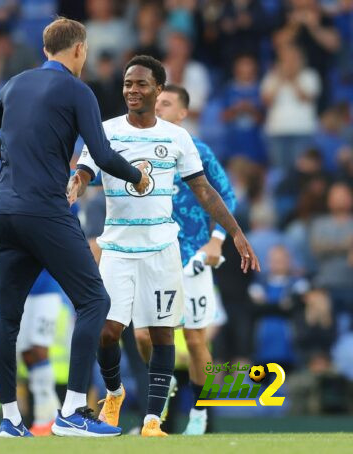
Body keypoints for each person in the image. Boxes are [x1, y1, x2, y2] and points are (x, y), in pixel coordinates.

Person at [68, 55, 259, 437]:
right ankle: (114, 392)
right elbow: (84, 170)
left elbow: (205, 191)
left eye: (140, 84)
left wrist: (234, 234)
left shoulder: (177, 138)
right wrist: (76, 184)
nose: (132, 91)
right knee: (107, 330)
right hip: (118, 248)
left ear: (158, 89)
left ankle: (153, 421)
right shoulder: (106, 131)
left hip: (161, 248)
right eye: (127, 84)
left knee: (162, 334)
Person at [0, 17, 147, 438]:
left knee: (7, 317)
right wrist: (138, 177)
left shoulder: (15, 83)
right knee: (94, 301)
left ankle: (11, 419)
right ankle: (72, 411)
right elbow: (102, 155)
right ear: (79, 49)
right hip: (46, 211)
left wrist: (16, 161)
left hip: (7, 211)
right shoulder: (76, 89)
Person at [144, 84, 237, 435]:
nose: (159, 108)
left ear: (183, 113)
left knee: (196, 340)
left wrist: (216, 240)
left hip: (191, 258)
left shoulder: (197, 150)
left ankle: (202, 415)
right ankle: (163, 387)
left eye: (166, 103)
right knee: (143, 337)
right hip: (152, 256)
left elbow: (226, 195)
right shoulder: (142, 147)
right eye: (157, 103)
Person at [16, 270, 63, 436]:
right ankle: (52, 415)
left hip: (47, 291)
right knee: (27, 353)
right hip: (21, 291)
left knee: (39, 349)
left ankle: (44, 419)